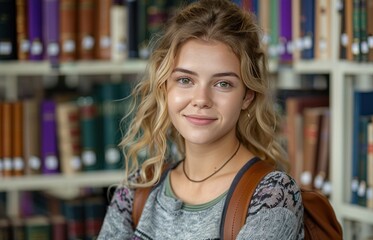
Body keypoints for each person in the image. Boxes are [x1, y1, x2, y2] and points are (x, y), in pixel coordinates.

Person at [98, 0, 304, 239]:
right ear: (165, 86)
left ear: (247, 96)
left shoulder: (272, 195)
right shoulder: (137, 189)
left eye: (222, 83)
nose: (201, 99)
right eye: (185, 80)